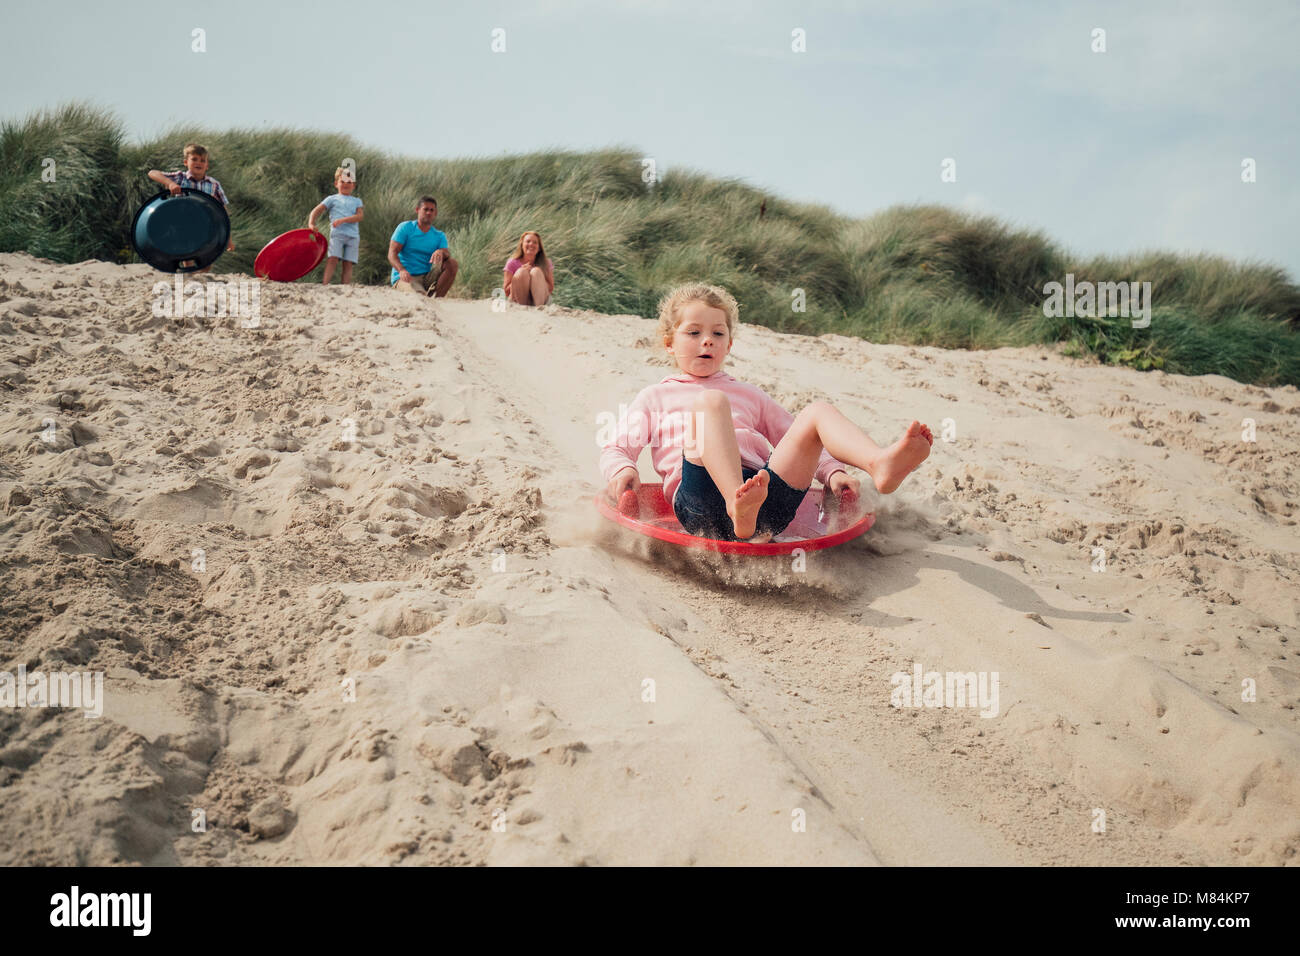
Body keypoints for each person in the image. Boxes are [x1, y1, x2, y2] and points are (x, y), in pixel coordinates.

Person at [600, 282, 934, 542]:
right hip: (701, 502)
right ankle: (735, 503)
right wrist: (622, 470)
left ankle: (879, 464)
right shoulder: (656, 396)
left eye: (718, 333)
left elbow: (795, 440)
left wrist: (831, 472)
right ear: (669, 343)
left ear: (729, 344)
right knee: (711, 403)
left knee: (816, 413)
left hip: (766, 501)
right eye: (694, 332)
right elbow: (617, 447)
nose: (707, 342)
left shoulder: (750, 395)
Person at [146, 143, 234, 272]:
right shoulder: (180, 178)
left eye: (202, 160)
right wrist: (170, 184)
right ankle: (189, 274)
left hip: (206, 224)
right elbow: (152, 173)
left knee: (207, 259)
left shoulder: (214, 184)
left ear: (207, 165)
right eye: (194, 159)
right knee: (187, 252)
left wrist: (228, 238)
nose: (199, 163)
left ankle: (200, 276)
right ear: (186, 162)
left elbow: (223, 212)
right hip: (183, 223)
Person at [388, 196, 458, 296]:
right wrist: (401, 270)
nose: (429, 213)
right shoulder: (405, 228)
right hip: (406, 277)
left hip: (426, 277)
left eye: (431, 210)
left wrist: (441, 252)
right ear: (417, 210)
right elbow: (392, 253)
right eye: (425, 209)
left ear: (435, 213)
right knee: (418, 296)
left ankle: (438, 301)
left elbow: (446, 253)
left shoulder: (439, 235)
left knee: (452, 264)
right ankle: (422, 295)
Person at [308, 168, 364, 284]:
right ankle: (325, 284)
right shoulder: (332, 199)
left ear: (353, 185)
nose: (345, 184)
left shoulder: (357, 201)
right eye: (342, 181)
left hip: (353, 236)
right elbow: (316, 210)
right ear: (336, 183)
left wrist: (343, 220)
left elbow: (359, 216)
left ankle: (345, 286)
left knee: (348, 262)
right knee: (333, 258)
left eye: (349, 182)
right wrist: (312, 223)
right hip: (337, 234)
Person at [504, 231, 554, 306]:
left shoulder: (546, 263)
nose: (531, 244)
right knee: (521, 272)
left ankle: (538, 310)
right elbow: (507, 292)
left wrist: (535, 278)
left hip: (540, 300)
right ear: (522, 245)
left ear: (539, 248)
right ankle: (524, 311)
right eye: (528, 241)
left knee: (536, 272)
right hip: (518, 300)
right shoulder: (512, 263)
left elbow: (550, 288)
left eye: (535, 242)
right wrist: (519, 277)